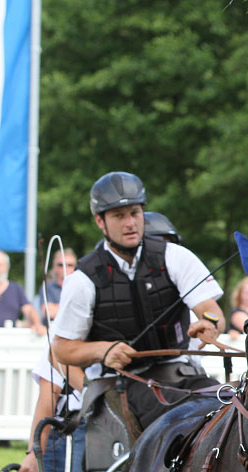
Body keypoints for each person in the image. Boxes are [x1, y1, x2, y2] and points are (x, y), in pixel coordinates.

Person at [51, 171, 225, 431]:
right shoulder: (82, 280)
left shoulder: (175, 257)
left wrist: (208, 324)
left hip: (182, 375)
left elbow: (212, 312)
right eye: (119, 216)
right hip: (121, 384)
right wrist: (104, 351)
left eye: (135, 213)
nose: (130, 223)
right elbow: (62, 349)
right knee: (183, 413)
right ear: (100, 221)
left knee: (230, 404)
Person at [0, 250, 46, 335]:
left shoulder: (15, 288)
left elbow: (29, 309)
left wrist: (37, 324)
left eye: (0, 265)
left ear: (7, 267)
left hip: (12, 339)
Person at [34, 248, 78, 323]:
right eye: (61, 265)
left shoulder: (80, 288)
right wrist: (73, 308)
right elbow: (49, 313)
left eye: (70, 265)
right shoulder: (47, 288)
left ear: (75, 267)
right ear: (54, 267)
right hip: (53, 331)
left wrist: (56, 307)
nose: (65, 268)